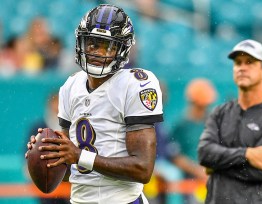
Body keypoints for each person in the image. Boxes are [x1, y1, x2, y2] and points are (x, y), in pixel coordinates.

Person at [25, 4, 163, 204]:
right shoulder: (70, 86)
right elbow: (68, 165)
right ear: (81, 43)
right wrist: (46, 153)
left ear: (122, 49)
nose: (98, 52)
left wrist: (80, 156)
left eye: (108, 46)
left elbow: (143, 168)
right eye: (92, 44)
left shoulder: (136, 84)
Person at [198, 39, 262, 204]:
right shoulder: (220, 112)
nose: (242, 67)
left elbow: (260, 172)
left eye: (250, 62)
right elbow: (204, 153)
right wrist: (246, 154)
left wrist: (216, 165)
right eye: (237, 63)